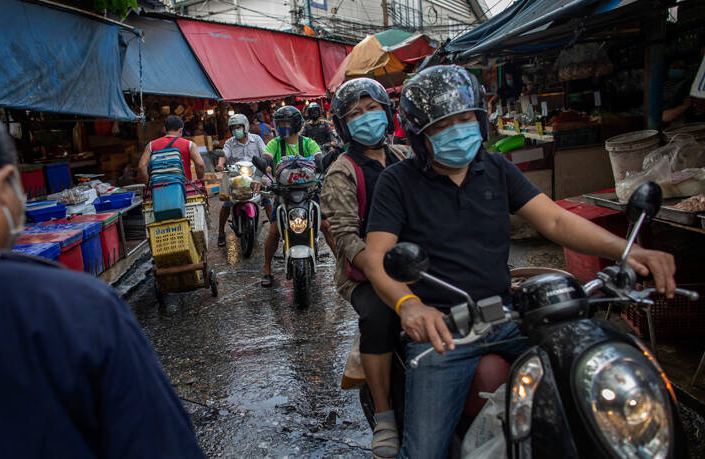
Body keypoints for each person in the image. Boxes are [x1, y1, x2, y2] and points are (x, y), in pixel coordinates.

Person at [362, 65, 678, 458]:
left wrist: (628, 251)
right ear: (419, 133)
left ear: (480, 120)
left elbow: (555, 219)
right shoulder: (397, 181)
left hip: (507, 315)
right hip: (444, 330)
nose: (458, 130)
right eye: (443, 125)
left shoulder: (495, 167)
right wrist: (410, 306)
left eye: (465, 119)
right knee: (424, 451)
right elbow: (377, 258)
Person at [0, 100, 205, 458]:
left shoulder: (150, 147)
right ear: (3, 186)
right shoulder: (78, 307)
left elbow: (142, 169)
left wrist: (149, 185)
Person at [322, 78, 404, 459]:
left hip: (413, 263)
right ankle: (385, 415)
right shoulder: (342, 170)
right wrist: (378, 271)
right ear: (343, 126)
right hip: (363, 273)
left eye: (372, 109)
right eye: (355, 114)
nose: (366, 118)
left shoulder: (406, 156)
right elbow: (345, 237)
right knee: (378, 317)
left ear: (387, 113)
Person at [260, 105, 337, 287]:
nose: (282, 127)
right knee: (273, 231)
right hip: (283, 194)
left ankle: (343, 265)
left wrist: (325, 161)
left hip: (310, 192)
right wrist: (263, 165)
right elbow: (266, 157)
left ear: (295, 124)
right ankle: (267, 270)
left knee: (326, 226)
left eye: (286, 123)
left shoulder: (308, 143)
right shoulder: (275, 143)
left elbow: (319, 159)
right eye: (280, 124)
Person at [216, 113, 273, 247]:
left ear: (245, 126)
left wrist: (267, 166)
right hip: (236, 177)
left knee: (267, 200)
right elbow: (224, 155)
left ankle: (276, 231)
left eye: (239, 127)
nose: (236, 130)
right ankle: (221, 233)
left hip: (255, 176)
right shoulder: (230, 143)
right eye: (233, 128)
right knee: (226, 204)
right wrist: (220, 164)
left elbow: (264, 154)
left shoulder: (256, 139)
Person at [137, 114, 205, 183]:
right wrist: (200, 179)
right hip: (184, 188)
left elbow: (141, 166)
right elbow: (200, 164)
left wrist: (148, 184)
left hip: (159, 189)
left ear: (165, 129)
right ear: (181, 130)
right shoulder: (190, 145)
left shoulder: (151, 145)